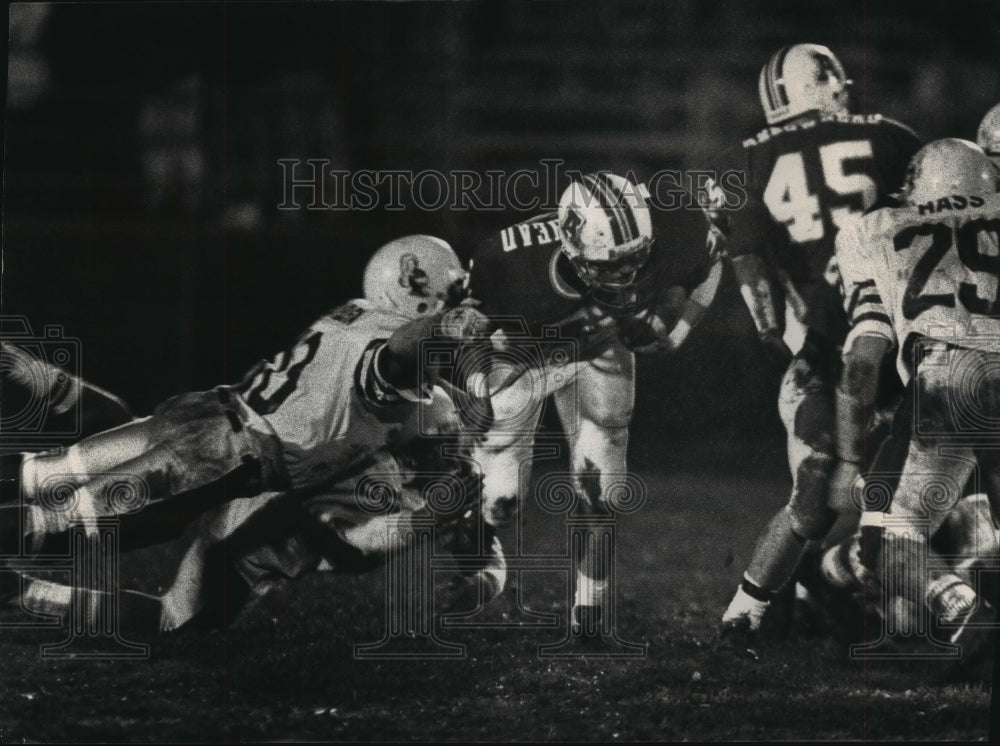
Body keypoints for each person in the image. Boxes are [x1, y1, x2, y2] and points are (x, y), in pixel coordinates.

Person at [0, 237, 492, 570]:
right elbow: (398, 353)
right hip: (225, 455)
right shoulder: (390, 346)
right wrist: (446, 328)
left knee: (43, 475)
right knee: (64, 523)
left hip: (209, 411)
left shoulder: (357, 317)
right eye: (455, 296)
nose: (465, 307)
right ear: (414, 286)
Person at [710, 43, 924, 640]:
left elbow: (752, 272)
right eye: (840, 81)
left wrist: (779, 337)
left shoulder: (751, 157)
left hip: (827, 344)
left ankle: (794, 593)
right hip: (905, 337)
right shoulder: (890, 135)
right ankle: (811, 588)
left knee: (826, 490)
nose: (848, 89)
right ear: (824, 81)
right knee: (910, 489)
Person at [467, 171, 725, 635]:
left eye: (636, 261)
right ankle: (482, 532)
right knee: (501, 499)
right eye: (611, 267)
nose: (627, 276)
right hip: (529, 355)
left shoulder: (678, 226)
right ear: (571, 249)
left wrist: (678, 330)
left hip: (602, 348)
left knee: (602, 482)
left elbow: (712, 263)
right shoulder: (508, 263)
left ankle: (590, 609)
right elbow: (467, 343)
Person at [829, 137, 1000, 655]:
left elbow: (863, 362)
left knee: (889, 537)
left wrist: (847, 455)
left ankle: (961, 608)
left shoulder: (872, 228)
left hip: (944, 375)